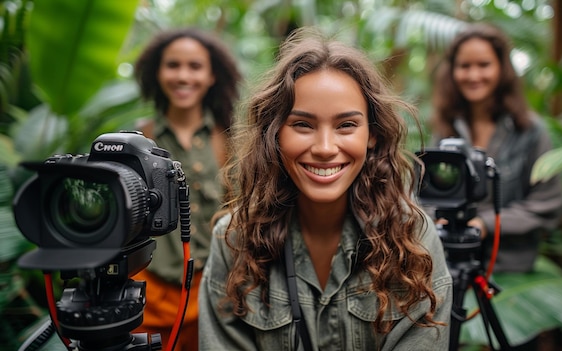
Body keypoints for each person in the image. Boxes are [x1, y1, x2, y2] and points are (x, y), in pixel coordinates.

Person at [198, 27, 452, 351]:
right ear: (275, 133)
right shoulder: (234, 241)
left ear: (372, 133)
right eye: (302, 124)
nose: (325, 147)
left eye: (346, 125)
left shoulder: (412, 239)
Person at [132, 27, 241, 350]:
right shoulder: (137, 140)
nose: (183, 76)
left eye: (194, 66)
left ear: (211, 76)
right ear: (158, 72)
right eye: (173, 65)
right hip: (147, 294)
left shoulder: (230, 142)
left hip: (213, 294)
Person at [429, 23, 562, 274]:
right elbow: (426, 190)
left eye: (484, 65)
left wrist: (485, 224)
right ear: (452, 71)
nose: (473, 75)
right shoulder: (445, 129)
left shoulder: (530, 130)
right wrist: (439, 218)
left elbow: (548, 202)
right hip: (447, 263)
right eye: (464, 66)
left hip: (508, 268)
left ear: (502, 69)